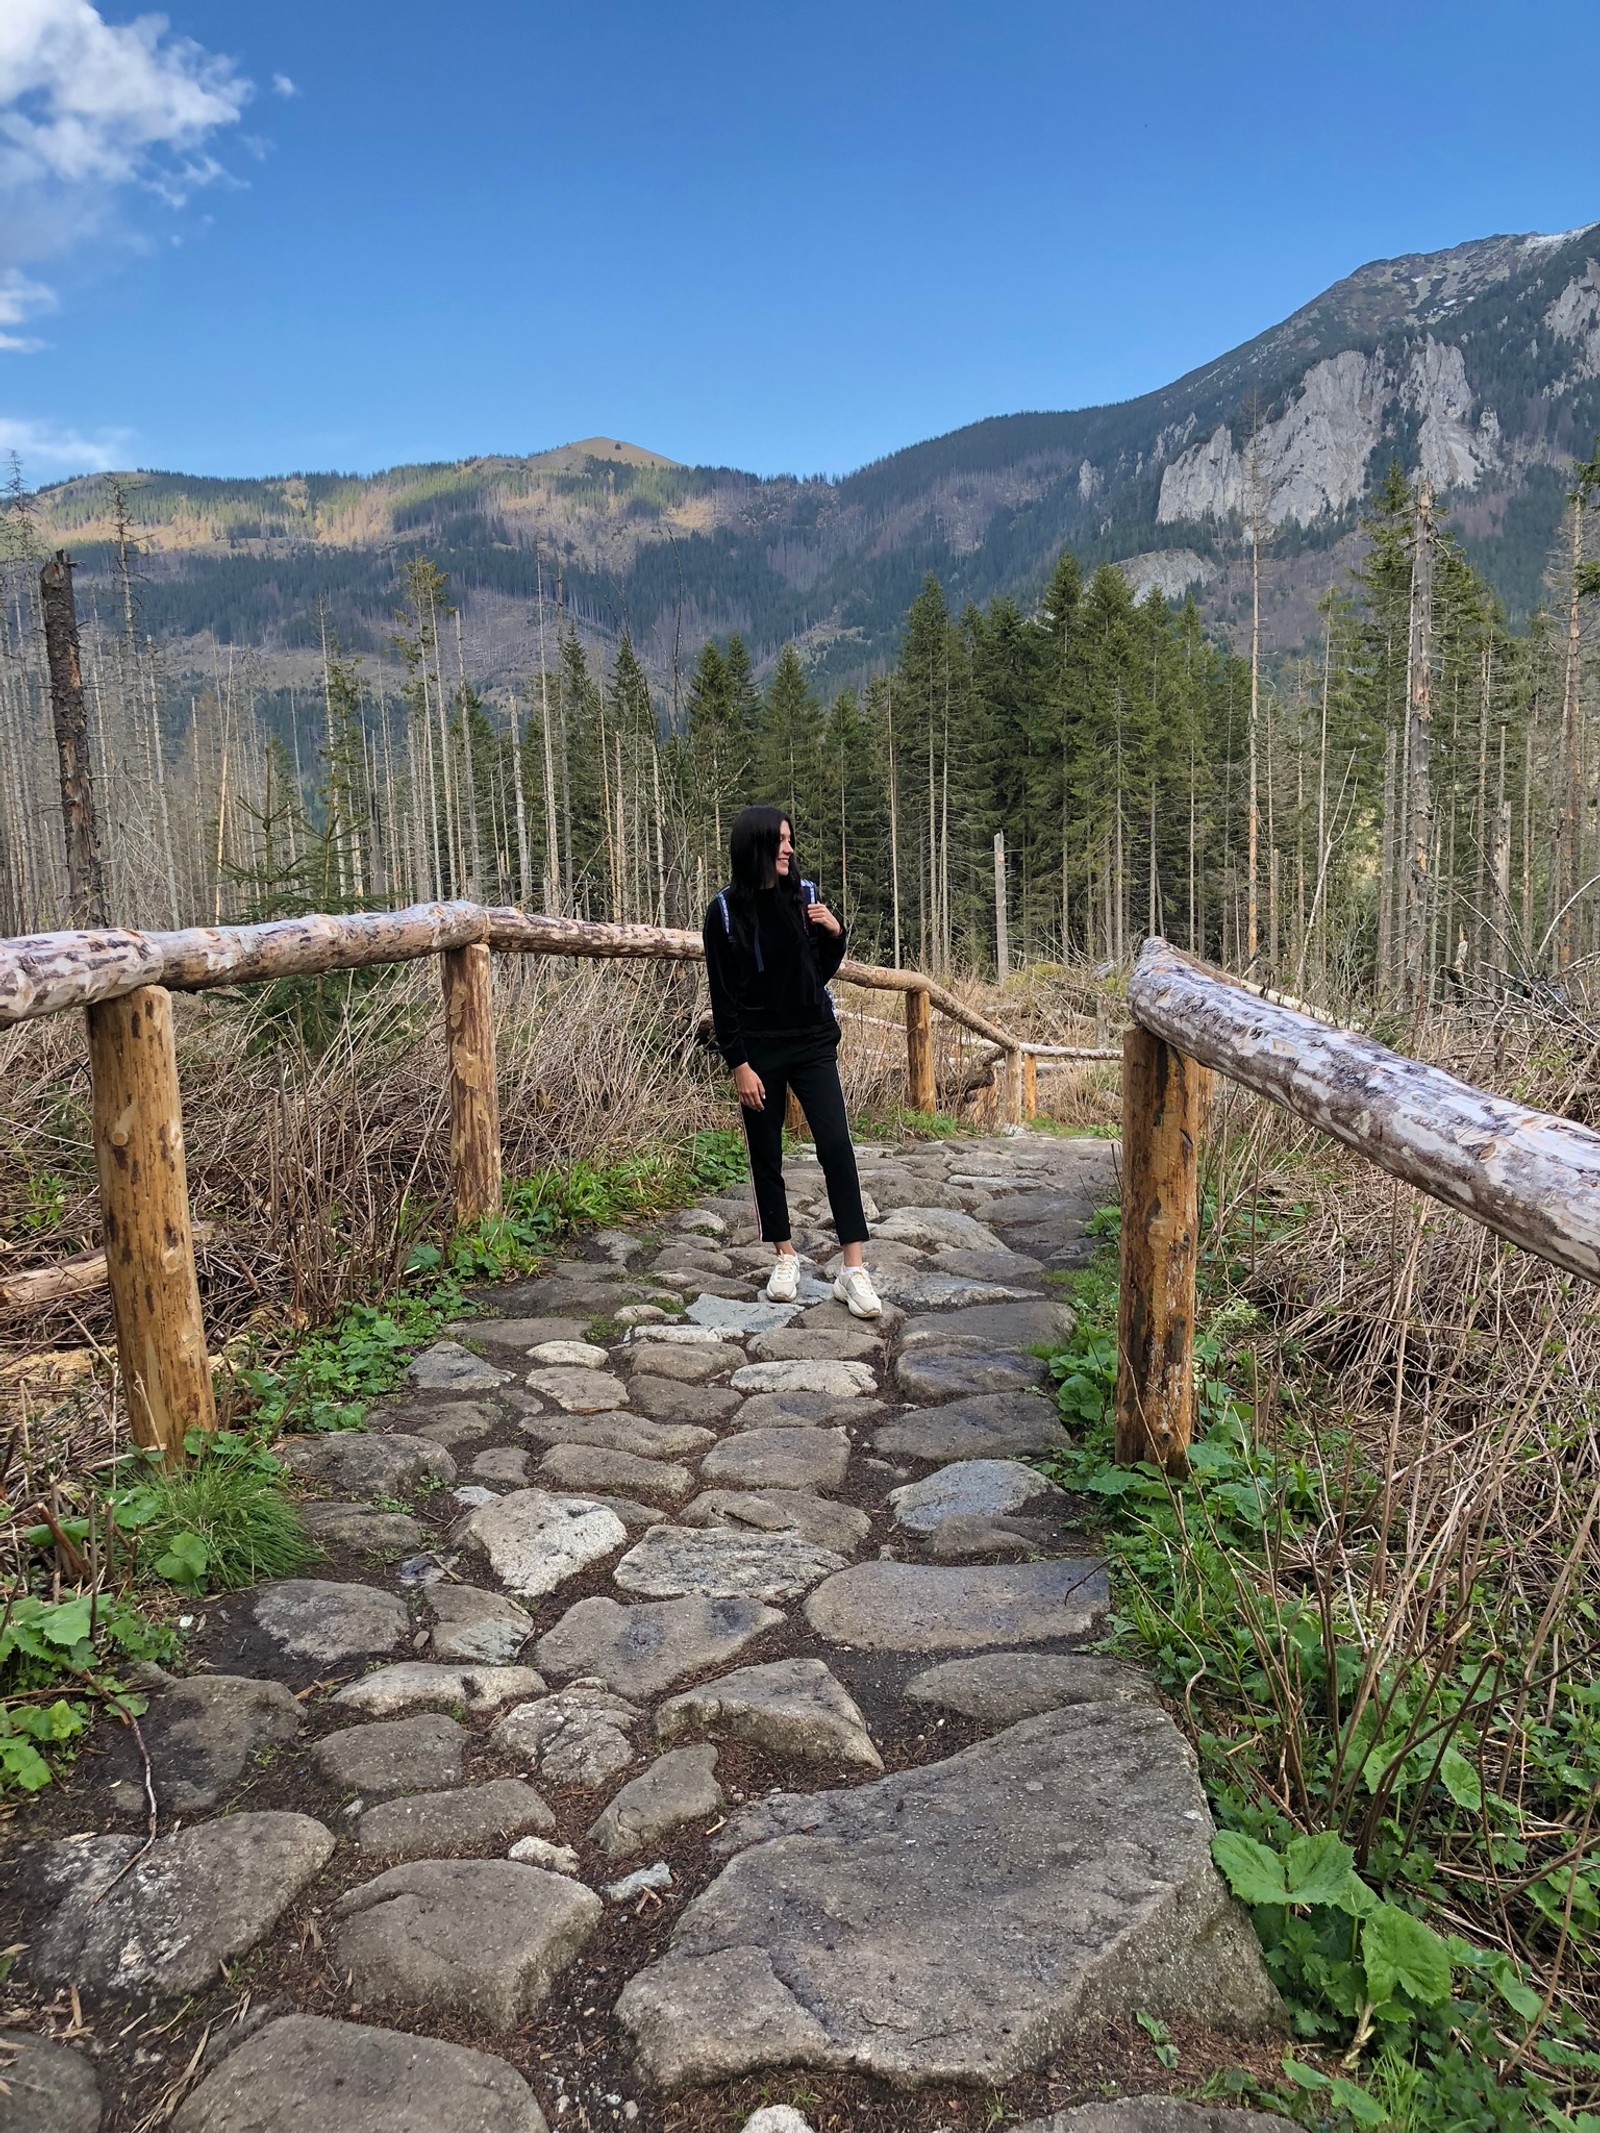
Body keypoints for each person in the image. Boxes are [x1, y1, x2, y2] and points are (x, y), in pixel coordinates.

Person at [702, 805, 882, 1318]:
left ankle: (853, 1269)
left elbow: (815, 975)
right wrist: (738, 1063)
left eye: (790, 839)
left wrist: (835, 935)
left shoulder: (805, 896)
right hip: (758, 1050)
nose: (789, 848)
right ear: (755, 846)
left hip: (812, 1041)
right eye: (780, 840)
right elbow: (723, 995)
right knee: (766, 1154)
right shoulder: (725, 911)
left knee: (836, 1146)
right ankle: (784, 1255)